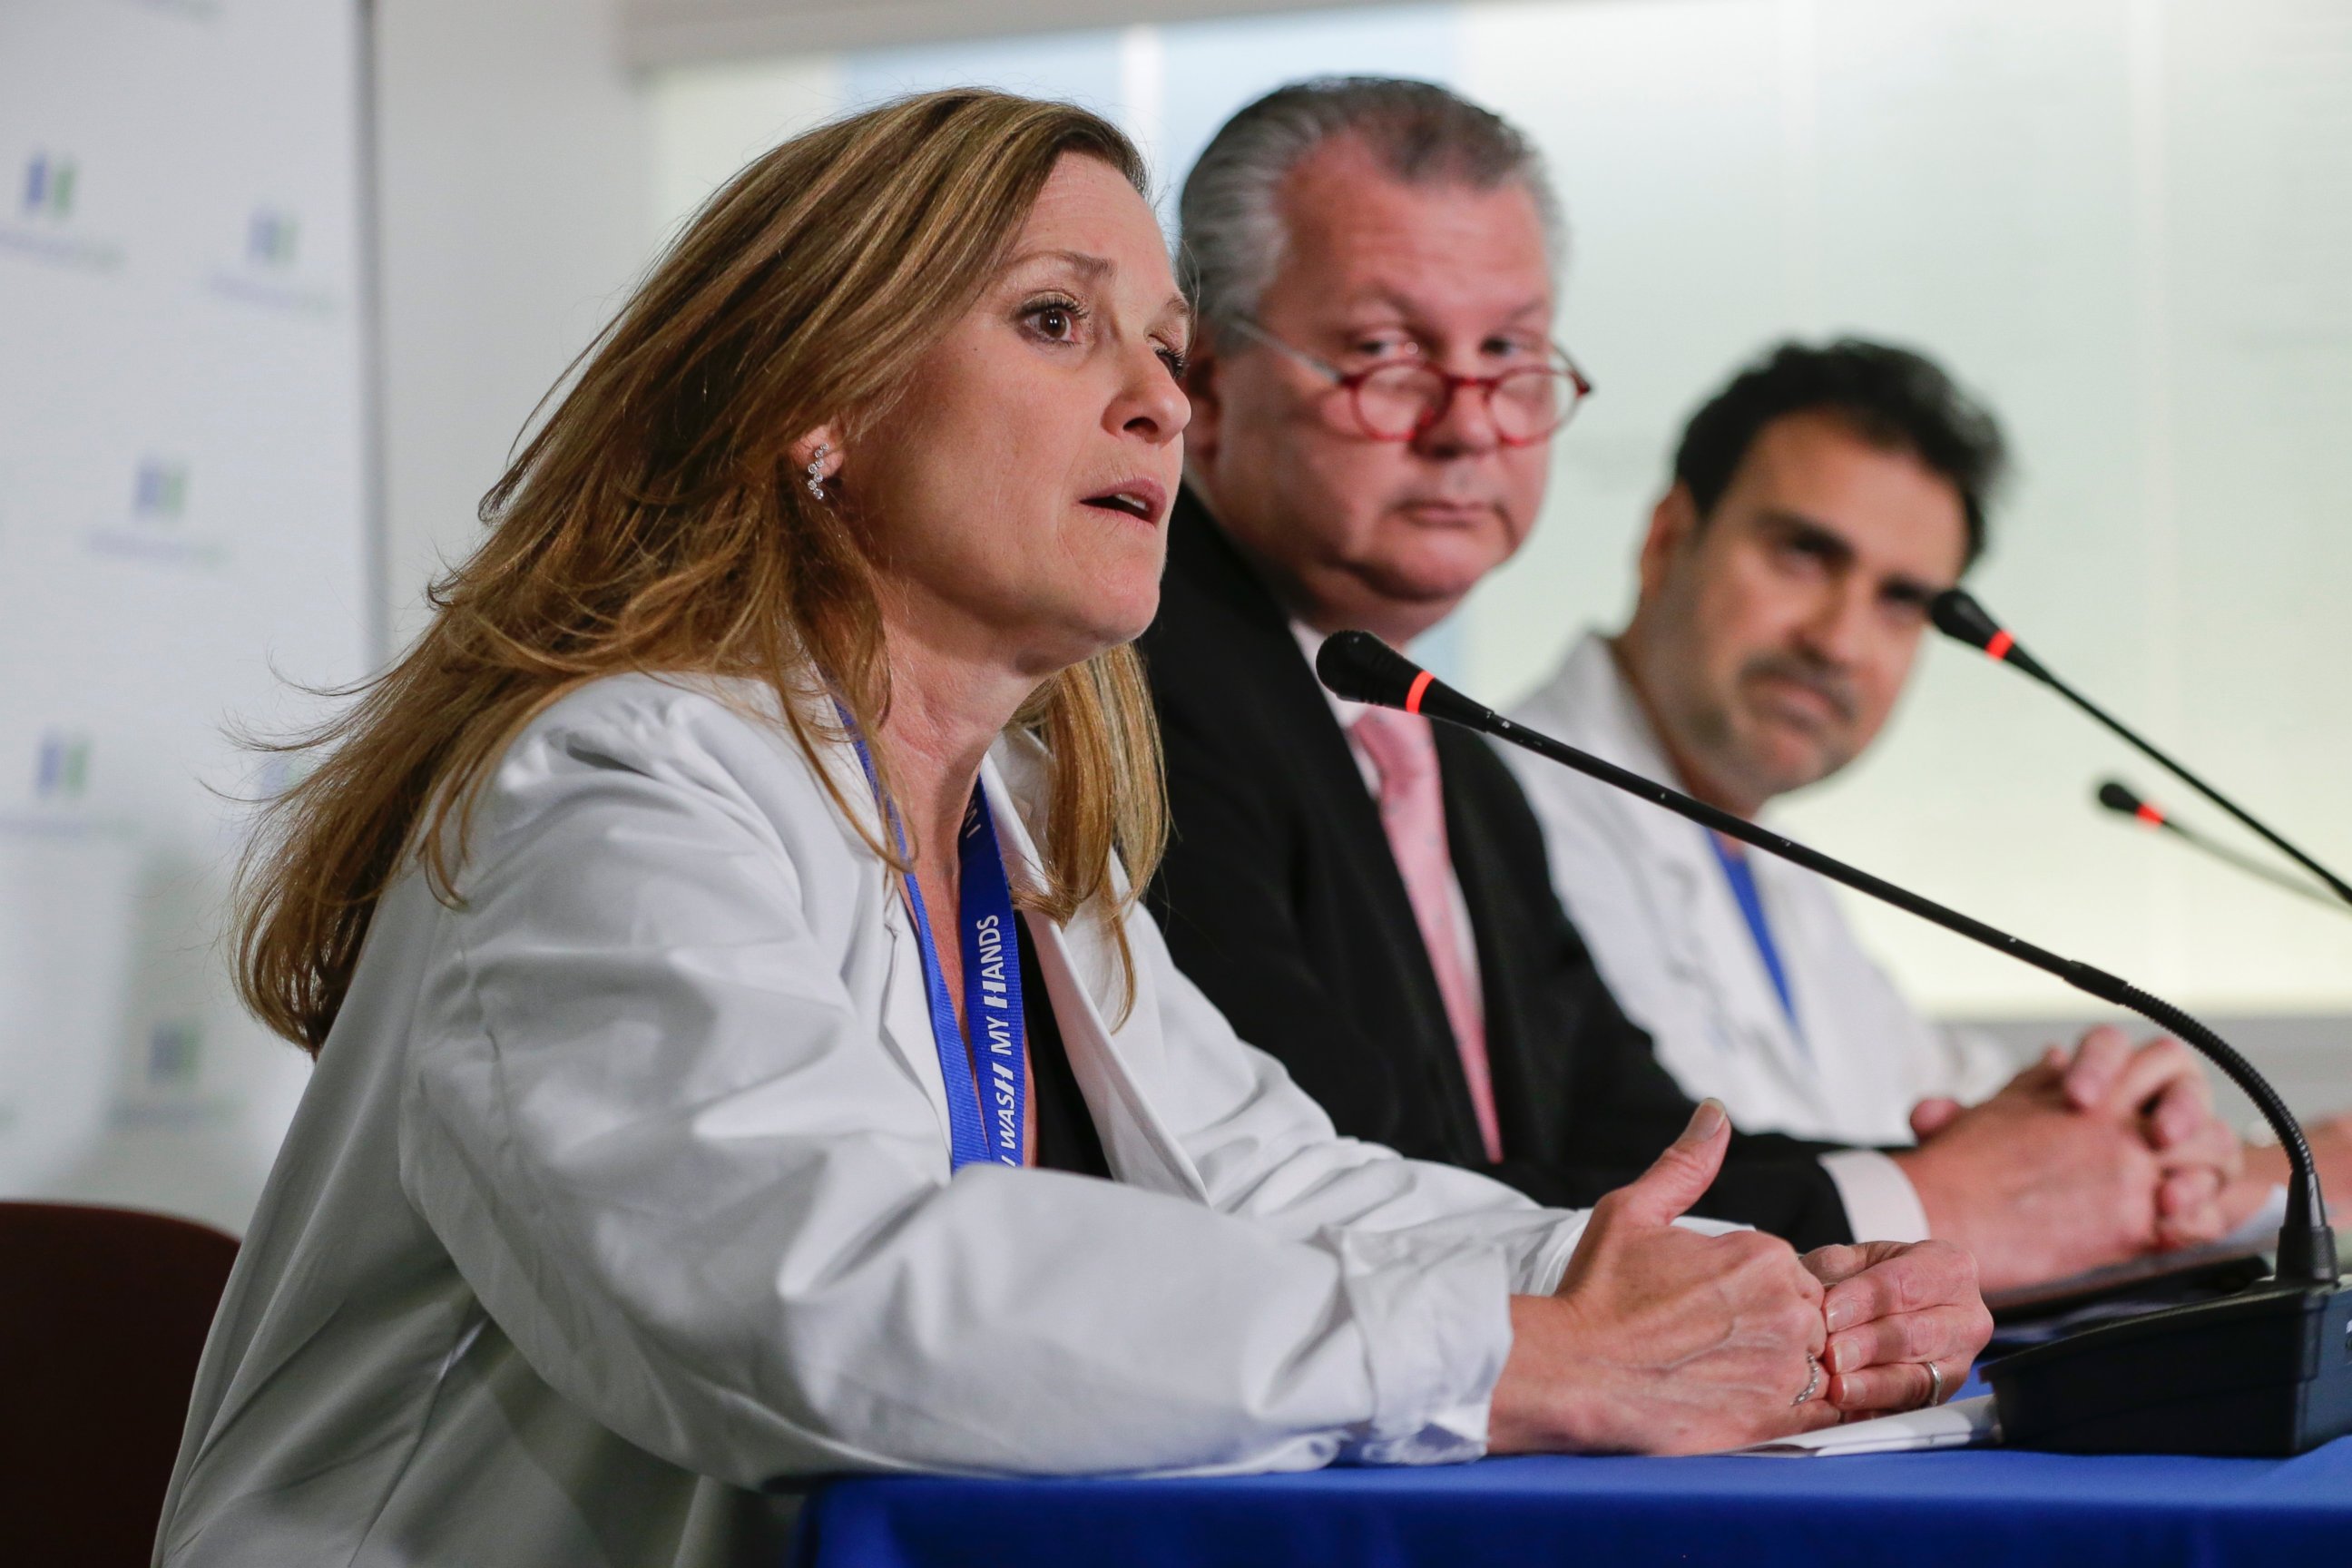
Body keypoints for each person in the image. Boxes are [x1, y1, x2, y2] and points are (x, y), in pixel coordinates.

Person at [153, 93, 1984, 1568]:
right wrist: (1527, 1358)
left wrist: (1686, 1293)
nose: (1159, 400)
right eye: (1056, 322)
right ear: (821, 406)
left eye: (1169, 348)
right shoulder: (622, 790)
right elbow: (828, 1297)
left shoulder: (1024, 835)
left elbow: (1285, 1192)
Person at [1142, 75, 2238, 1295]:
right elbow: (1359, 1188)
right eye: (1385, 352)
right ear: (1205, 386)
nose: (1468, 427)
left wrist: (2040, 1157)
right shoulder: (1140, 693)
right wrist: (1942, 1200)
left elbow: (1630, 1153)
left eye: (1507, 352)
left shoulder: (1445, 761)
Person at [1506, 337, 2352, 1210]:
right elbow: (1700, 1189)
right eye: (1803, 554)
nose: (1837, 641)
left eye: (1901, 601)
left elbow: (1954, 1108)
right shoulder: (1500, 811)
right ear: (1668, 538)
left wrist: (2147, 1126)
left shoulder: (1773, 870)